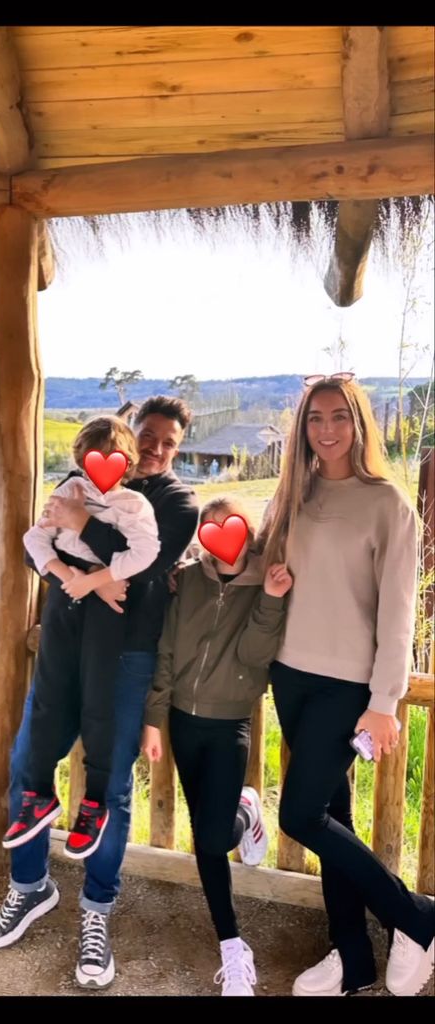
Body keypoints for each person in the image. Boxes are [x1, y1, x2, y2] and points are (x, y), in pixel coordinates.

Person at [0, 396, 199, 991]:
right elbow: (44, 544)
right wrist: (81, 577)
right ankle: (30, 887)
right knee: (29, 756)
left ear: (177, 449)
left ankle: (97, 910)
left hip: (129, 656)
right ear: (130, 440)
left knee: (111, 781)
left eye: (167, 443)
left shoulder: (179, 502)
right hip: (68, 639)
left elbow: (150, 569)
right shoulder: (87, 477)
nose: (155, 449)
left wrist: (84, 529)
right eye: (147, 437)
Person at [258, 372, 434, 997]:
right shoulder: (292, 497)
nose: (326, 429)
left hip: (347, 687)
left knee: (300, 814)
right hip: (291, 673)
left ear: (360, 424)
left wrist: (384, 702)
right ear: (302, 428)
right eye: (314, 418)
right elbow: (260, 568)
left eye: (339, 417)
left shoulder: (387, 504)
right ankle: (352, 955)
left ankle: (416, 917)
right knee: (332, 812)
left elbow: (397, 613)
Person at [142, 495, 292, 996]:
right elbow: (165, 651)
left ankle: (245, 813)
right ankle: (232, 945)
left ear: (247, 535)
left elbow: (254, 654)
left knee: (210, 838)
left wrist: (270, 599)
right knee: (205, 838)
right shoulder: (185, 581)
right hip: (184, 722)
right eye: (207, 529)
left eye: (226, 528)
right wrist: (155, 719)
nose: (216, 538)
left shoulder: (265, 583)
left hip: (231, 725)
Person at [3, 416, 160, 860]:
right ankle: (37, 795)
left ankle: (93, 802)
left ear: (127, 463)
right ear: (80, 459)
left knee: (98, 703)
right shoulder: (67, 492)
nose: (101, 469)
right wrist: (66, 574)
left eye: (113, 459)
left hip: (105, 610)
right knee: (51, 694)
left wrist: (96, 581)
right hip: (64, 603)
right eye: (93, 459)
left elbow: (145, 554)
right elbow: (35, 539)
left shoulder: (133, 505)